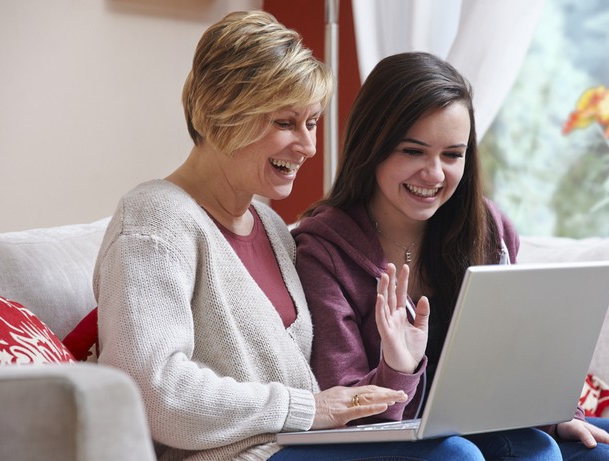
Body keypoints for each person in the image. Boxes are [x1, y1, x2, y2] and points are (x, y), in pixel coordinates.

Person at [93, 12, 527, 461]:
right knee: (453, 457)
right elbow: (148, 393)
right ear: (221, 113)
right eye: (286, 123)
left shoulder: (275, 229)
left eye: (313, 123)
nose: (309, 146)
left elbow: (330, 398)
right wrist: (308, 408)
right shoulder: (154, 221)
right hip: (246, 456)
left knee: (550, 449)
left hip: (309, 445)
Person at [292, 51, 609, 461]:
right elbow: (349, 416)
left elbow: (517, 355)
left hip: (483, 428)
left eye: (452, 154)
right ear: (372, 145)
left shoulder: (487, 227)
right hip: (398, 441)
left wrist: (555, 414)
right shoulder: (323, 250)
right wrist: (398, 368)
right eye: (413, 151)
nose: (434, 174)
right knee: (526, 451)